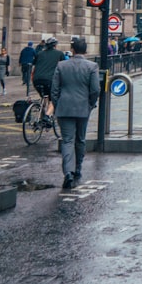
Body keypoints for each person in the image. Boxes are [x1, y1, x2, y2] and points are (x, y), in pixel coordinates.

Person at [51, 37, 100, 190]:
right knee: (80, 139)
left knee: (67, 141)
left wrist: (58, 104)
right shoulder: (92, 66)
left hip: (64, 108)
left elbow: (54, 89)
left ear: (72, 50)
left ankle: (68, 173)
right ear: (85, 50)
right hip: (83, 108)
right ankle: (78, 168)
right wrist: (90, 104)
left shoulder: (61, 65)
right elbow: (95, 90)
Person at [32, 37, 62, 119]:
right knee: (54, 99)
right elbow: (64, 67)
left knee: (44, 96)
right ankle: (47, 116)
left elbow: (34, 65)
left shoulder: (39, 53)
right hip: (49, 80)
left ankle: (42, 113)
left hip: (36, 80)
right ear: (55, 45)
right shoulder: (59, 53)